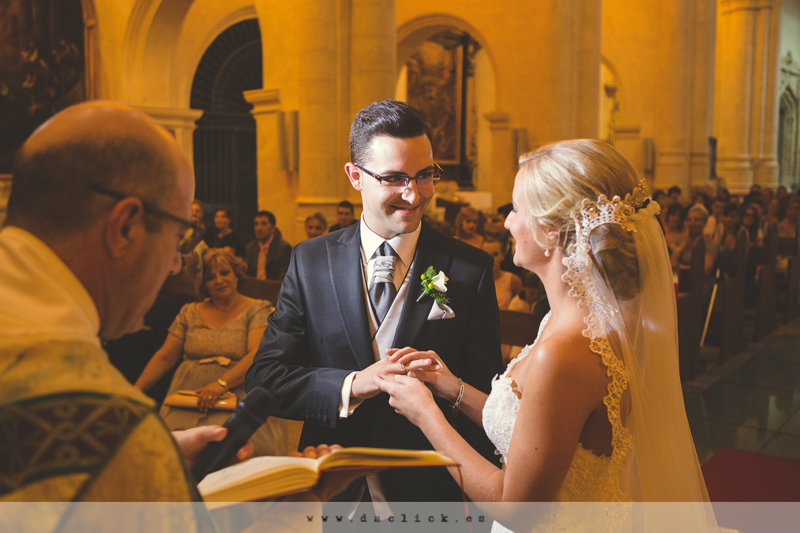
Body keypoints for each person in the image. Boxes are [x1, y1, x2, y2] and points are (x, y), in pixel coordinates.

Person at [375, 139, 716, 532]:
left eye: (517, 209)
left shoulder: (567, 350)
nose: (506, 222)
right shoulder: (577, 320)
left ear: (551, 230)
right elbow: (540, 431)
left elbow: (513, 507)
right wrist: (453, 389)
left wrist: (426, 415)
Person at [245, 99, 504, 503]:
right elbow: (266, 377)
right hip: (335, 491)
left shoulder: (469, 269)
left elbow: (486, 399)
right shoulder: (311, 260)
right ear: (355, 176)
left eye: (424, 175)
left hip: (430, 494)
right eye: (395, 178)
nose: (414, 194)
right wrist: (351, 384)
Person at [0, 101, 244, 504]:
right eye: (179, 236)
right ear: (126, 226)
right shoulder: (109, 430)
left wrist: (159, 454)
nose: (172, 266)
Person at [135, 248, 291, 456]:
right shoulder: (189, 311)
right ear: (203, 284)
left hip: (237, 392)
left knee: (231, 450)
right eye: (210, 277)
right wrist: (134, 392)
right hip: (191, 395)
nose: (219, 281)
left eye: (225, 273)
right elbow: (165, 356)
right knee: (168, 451)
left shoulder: (256, 309)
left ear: (236, 274)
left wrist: (221, 384)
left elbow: (257, 354)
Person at [670, 204, 718, 277]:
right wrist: (684, 243)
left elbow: (706, 270)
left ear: (705, 222)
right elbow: (672, 264)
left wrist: (682, 268)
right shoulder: (677, 239)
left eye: (697, 220)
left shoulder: (710, 244)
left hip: (700, 283)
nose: (692, 223)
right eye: (689, 220)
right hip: (678, 281)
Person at [245, 210, 292, 281]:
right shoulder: (250, 247)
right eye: (256, 224)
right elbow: (248, 274)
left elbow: (284, 278)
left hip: (274, 289)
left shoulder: (283, 248)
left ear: (273, 228)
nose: (259, 228)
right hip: (254, 289)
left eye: (263, 224)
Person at [482, 234, 522, 310]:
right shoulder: (473, 279)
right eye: (486, 255)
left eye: (495, 254)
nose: (491, 259)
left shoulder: (513, 280)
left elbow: (520, 309)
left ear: (503, 256)